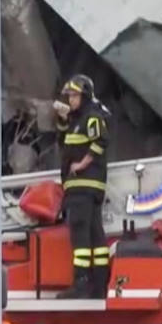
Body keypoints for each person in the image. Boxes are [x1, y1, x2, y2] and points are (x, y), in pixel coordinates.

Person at [55, 74, 112, 299]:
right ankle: (98, 286)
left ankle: (80, 284)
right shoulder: (77, 119)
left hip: (83, 186)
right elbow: (64, 142)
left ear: (85, 96)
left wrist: (82, 164)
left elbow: (101, 142)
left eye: (74, 96)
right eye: (69, 96)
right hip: (85, 187)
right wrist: (62, 119)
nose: (70, 100)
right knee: (96, 236)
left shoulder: (91, 117)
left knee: (80, 235)